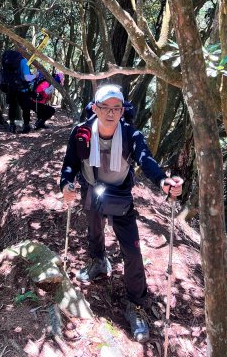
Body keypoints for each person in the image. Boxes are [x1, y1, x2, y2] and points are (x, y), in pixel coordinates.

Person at [60, 84, 183, 344]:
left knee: (132, 250)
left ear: (122, 110)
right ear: (95, 108)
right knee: (93, 229)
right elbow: (69, 164)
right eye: (105, 107)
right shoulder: (81, 133)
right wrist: (66, 185)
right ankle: (98, 260)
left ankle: (136, 305)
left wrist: (163, 181)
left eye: (117, 108)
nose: (111, 113)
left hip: (120, 196)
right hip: (92, 188)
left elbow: (145, 159)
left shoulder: (131, 135)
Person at [0, 48, 36, 134]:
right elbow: (27, 78)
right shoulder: (24, 61)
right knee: (25, 108)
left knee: (12, 106)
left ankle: (12, 126)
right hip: (22, 89)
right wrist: (35, 75)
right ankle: (26, 126)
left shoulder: (7, 61)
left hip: (11, 88)